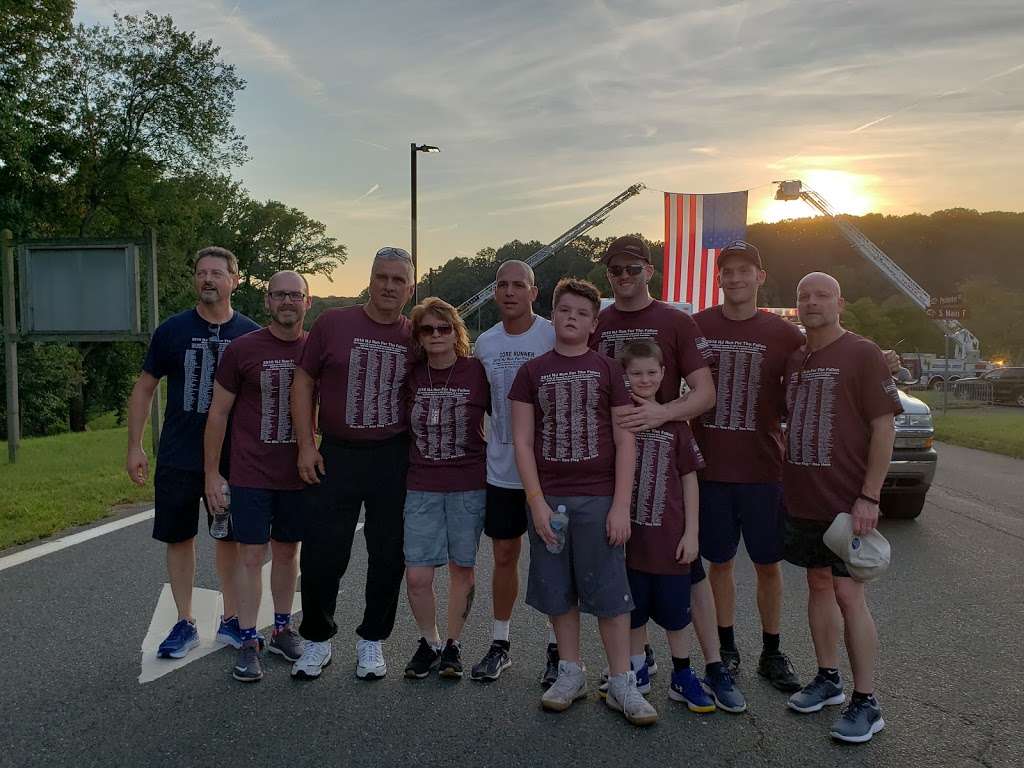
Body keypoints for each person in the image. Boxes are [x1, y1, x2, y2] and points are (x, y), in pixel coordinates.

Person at [592, 235, 745, 713]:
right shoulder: (598, 322)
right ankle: (631, 664)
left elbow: (705, 393)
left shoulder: (676, 321)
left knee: (689, 573)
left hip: (666, 462)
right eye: (615, 270)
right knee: (624, 573)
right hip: (611, 467)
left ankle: (710, 665)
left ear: (649, 272)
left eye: (633, 269)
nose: (624, 277)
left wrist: (662, 415)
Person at [509, 277, 657, 726]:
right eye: (564, 310)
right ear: (552, 316)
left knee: (611, 594)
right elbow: (521, 441)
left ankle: (621, 682)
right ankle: (570, 672)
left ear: (594, 324)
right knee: (559, 591)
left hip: (598, 497)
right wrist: (535, 503)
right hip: (550, 498)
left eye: (581, 313)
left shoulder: (608, 370)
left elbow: (625, 438)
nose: (571, 318)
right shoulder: (531, 372)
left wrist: (620, 505)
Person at [783, 272, 900, 744]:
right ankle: (828, 678)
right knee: (817, 583)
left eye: (822, 295)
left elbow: (884, 427)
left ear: (840, 302)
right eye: (804, 296)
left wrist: (870, 495)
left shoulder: (862, 353)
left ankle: (866, 701)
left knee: (850, 595)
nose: (812, 302)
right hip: (803, 496)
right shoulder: (797, 357)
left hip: (846, 500)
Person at [125, 246, 260, 659]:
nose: (207, 279)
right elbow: (145, 387)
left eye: (217, 273)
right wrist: (135, 446)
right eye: (201, 272)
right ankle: (184, 621)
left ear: (234, 280)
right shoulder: (172, 331)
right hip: (179, 454)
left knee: (230, 537)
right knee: (179, 536)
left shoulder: (250, 334)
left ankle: (233, 619)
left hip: (233, 458)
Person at [289, 247, 416, 681]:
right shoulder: (332, 323)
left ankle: (372, 640)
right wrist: (306, 444)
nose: (389, 286)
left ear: (410, 288)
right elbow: (303, 382)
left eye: (399, 280)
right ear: (370, 279)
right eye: (382, 276)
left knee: (388, 553)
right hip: (336, 452)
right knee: (323, 552)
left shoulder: (414, 333)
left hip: (392, 455)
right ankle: (318, 639)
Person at [691, 241, 805, 692]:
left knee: (768, 565)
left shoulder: (784, 334)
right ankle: (726, 646)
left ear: (760, 276)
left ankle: (772, 651)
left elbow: (826, 358)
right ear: (719, 278)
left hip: (762, 469)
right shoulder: (696, 327)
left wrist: (883, 358)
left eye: (745, 270)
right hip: (710, 469)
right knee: (718, 563)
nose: (735, 278)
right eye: (728, 271)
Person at [203, 271, 312, 682]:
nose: (287, 302)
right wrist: (212, 473)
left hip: (297, 471)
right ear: (267, 302)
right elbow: (218, 413)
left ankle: (282, 627)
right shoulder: (242, 349)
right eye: (279, 295)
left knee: (287, 552)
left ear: (308, 301)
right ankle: (248, 639)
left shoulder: (314, 348)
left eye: (294, 295)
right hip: (250, 471)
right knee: (251, 556)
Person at [605, 339, 716, 715]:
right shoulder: (618, 419)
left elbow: (689, 481)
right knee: (632, 609)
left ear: (664, 374)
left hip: (671, 538)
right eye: (636, 373)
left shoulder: (676, 424)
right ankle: (635, 671)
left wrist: (692, 533)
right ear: (624, 376)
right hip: (632, 538)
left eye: (652, 372)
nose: (645, 379)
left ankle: (682, 675)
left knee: (675, 613)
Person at [470, 260, 556, 684]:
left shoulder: (553, 334)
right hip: (501, 470)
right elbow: (478, 403)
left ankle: (559, 650)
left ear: (533, 292)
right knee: (504, 555)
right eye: (501, 285)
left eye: (517, 285)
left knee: (554, 559)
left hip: (551, 472)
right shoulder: (484, 343)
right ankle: (500, 643)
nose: (508, 292)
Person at [401, 298, 490, 680]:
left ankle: (453, 643)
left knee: (461, 569)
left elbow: (502, 420)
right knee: (418, 576)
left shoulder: (476, 372)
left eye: (444, 328)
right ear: (419, 337)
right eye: (428, 329)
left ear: (456, 332)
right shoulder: (412, 375)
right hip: (421, 483)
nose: (437, 335)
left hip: (468, 483)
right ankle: (430, 641)